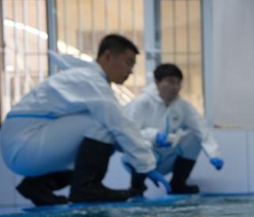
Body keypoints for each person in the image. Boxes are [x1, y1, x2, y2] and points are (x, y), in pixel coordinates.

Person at [0, 34, 170, 206]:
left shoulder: (88, 81)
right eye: (128, 63)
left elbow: (120, 136)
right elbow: (119, 126)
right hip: (24, 144)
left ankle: (39, 185)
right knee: (103, 124)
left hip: (24, 146)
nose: (131, 71)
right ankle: (87, 189)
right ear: (108, 56)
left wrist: (144, 155)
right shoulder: (91, 80)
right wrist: (147, 165)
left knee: (98, 138)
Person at [122, 63, 224, 196]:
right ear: (157, 82)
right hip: (140, 159)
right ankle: (137, 186)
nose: (175, 87)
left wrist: (214, 154)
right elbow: (128, 133)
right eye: (170, 82)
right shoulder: (141, 103)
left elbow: (202, 129)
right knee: (142, 144)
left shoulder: (182, 106)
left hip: (166, 158)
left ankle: (178, 184)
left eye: (178, 83)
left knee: (193, 136)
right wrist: (154, 136)